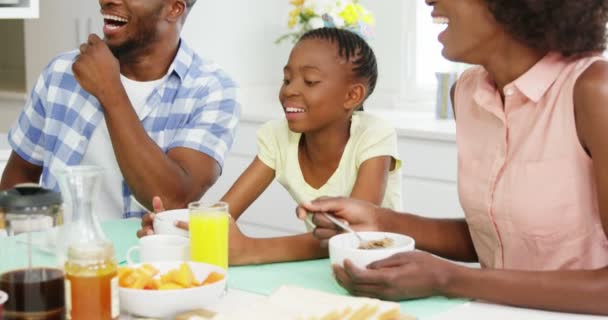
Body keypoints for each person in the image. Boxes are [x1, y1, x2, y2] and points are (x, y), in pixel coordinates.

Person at [298, 0, 608, 315]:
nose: (428, 1)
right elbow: (497, 237)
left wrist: (449, 278)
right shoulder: (466, 93)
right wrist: (378, 221)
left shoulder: (595, 90)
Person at [137, 27, 403, 265]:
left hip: (383, 265)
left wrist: (252, 249)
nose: (289, 91)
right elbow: (223, 215)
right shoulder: (278, 137)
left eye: (309, 81)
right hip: (326, 267)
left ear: (352, 95)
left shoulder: (373, 135)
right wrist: (173, 229)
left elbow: (354, 234)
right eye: (287, 79)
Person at [0, 0, 240, 220]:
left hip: (146, 265)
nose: (106, 0)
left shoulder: (211, 90)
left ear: (174, 9)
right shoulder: (62, 72)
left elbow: (171, 200)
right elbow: (18, 179)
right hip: (57, 259)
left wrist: (110, 91)